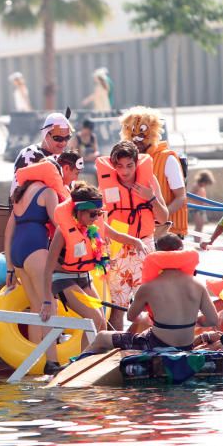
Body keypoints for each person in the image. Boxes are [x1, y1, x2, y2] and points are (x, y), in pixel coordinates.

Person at [82, 234, 218, 353]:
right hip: (186, 346)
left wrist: (147, 318)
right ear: (181, 253)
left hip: (155, 344)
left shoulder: (148, 287)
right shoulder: (198, 285)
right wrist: (192, 322)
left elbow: (131, 317)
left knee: (102, 337)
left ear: (157, 253)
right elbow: (212, 320)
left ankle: (73, 369)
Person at [4, 156, 70, 371]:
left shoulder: (19, 194)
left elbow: (8, 232)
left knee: (35, 307)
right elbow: (59, 224)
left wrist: (9, 267)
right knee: (50, 304)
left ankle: (34, 361)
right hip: (35, 250)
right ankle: (52, 362)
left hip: (17, 252)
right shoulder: (48, 193)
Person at [96, 140, 169, 329]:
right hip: (116, 246)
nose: (125, 171)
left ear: (136, 163)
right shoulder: (105, 184)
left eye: (129, 165)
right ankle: (117, 348)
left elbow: (162, 218)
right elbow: (98, 222)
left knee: (153, 299)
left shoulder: (149, 181)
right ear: (113, 166)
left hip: (145, 244)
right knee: (116, 305)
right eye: (119, 166)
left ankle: (156, 340)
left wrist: (150, 198)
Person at [39, 183, 112, 358]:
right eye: (92, 214)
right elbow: (48, 268)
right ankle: (82, 362)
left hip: (83, 277)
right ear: (78, 212)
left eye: (99, 213)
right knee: (93, 318)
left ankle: (92, 359)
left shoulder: (90, 229)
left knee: (102, 323)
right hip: (63, 279)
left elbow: (114, 235)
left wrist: (137, 243)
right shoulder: (62, 232)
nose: (96, 218)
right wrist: (47, 301)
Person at [120, 106, 187, 239]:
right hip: (138, 233)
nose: (137, 140)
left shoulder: (167, 159)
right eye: (133, 135)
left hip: (168, 235)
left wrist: (159, 215)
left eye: (141, 135)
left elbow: (181, 197)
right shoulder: (126, 161)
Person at [10, 111, 72, 195]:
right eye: (58, 138)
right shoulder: (29, 154)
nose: (63, 143)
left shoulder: (64, 157)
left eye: (67, 138)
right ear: (46, 135)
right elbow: (19, 195)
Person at [190, 170, 215, 234]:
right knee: (198, 225)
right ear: (203, 180)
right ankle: (196, 241)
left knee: (201, 226)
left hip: (200, 208)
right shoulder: (196, 186)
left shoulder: (202, 187)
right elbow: (190, 196)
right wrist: (200, 202)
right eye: (206, 183)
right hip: (195, 208)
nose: (206, 185)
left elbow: (203, 197)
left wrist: (206, 203)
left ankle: (198, 240)